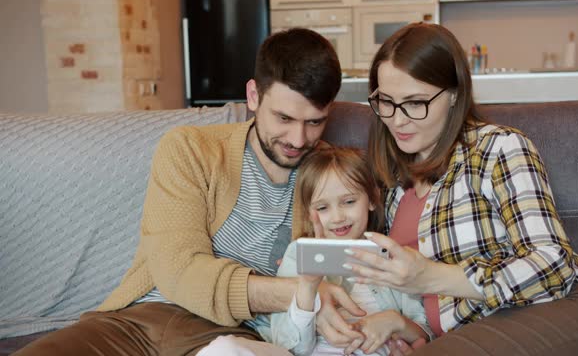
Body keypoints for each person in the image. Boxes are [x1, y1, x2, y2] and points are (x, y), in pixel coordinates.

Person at [15, 28, 364, 356]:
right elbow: (178, 270)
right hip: (139, 320)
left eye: (314, 121)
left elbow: (354, 266)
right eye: (284, 118)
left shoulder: (331, 178)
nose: (298, 139)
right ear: (254, 96)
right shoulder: (191, 149)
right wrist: (295, 292)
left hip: (231, 335)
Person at [315, 23, 578, 355]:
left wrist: (431, 276)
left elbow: (553, 266)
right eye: (386, 101)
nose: (397, 120)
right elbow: (433, 310)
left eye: (415, 103)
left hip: (564, 312)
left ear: (454, 93)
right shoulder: (393, 183)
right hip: (475, 334)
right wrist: (403, 327)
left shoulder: (499, 147)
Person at [196, 146, 432, 356]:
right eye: (323, 207)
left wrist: (395, 322)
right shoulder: (298, 254)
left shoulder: (392, 256)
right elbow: (289, 344)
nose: (338, 217)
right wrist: (308, 287)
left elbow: (425, 331)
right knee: (222, 348)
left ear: (372, 199)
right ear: (310, 212)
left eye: (349, 202)